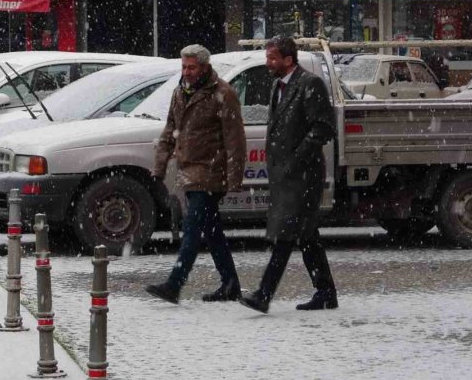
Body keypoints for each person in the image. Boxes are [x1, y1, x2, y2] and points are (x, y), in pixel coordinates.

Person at [239, 37, 338, 313]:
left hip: (304, 176)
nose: (268, 63)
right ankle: (326, 291)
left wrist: (297, 158)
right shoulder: (277, 86)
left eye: (272, 58)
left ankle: (264, 294)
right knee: (306, 235)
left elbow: (323, 128)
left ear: (288, 59)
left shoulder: (309, 85)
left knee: (286, 234)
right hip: (285, 175)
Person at [145, 44, 247, 304]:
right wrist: (159, 166)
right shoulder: (180, 91)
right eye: (183, 67)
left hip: (210, 173)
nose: (187, 72)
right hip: (189, 171)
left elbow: (235, 139)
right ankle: (230, 284)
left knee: (192, 228)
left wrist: (235, 177)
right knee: (212, 231)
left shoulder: (223, 93)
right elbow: (170, 130)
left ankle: (174, 284)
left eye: (191, 67)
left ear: (204, 67)